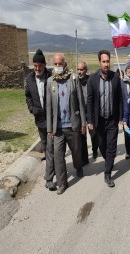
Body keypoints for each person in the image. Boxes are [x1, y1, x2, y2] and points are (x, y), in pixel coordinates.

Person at [47, 53, 86, 195]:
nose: (57, 66)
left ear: (64, 63)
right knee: (58, 156)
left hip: (72, 124)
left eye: (60, 64)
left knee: (76, 151)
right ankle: (62, 184)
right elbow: (49, 107)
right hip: (58, 128)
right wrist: (50, 128)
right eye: (55, 64)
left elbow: (81, 102)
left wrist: (83, 122)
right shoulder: (50, 81)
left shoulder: (73, 78)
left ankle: (78, 166)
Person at [87, 50, 122, 188]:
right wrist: (90, 120)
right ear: (99, 62)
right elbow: (89, 101)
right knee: (102, 145)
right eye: (103, 61)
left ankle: (107, 173)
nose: (106, 64)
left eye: (108, 61)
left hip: (112, 120)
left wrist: (120, 117)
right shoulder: (93, 79)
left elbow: (119, 98)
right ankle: (109, 161)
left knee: (112, 148)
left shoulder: (115, 78)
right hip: (99, 120)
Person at [25, 49, 55, 191]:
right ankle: (52, 168)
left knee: (50, 149)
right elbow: (28, 96)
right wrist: (32, 109)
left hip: (51, 119)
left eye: (40, 66)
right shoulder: (29, 79)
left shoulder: (51, 77)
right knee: (45, 146)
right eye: (35, 65)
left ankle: (49, 178)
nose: (37, 68)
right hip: (39, 119)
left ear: (44, 65)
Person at [77, 61, 99, 162]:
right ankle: (85, 158)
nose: (79, 72)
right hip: (80, 111)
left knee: (93, 133)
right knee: (82, 135)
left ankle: (95, 149)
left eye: (81, 69)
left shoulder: (91, 80)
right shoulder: (75, 81)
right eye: (78, 69)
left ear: (86, 70)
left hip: (90, 111)